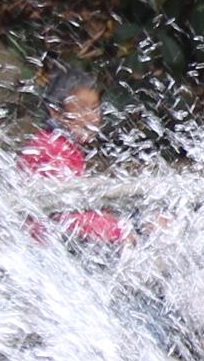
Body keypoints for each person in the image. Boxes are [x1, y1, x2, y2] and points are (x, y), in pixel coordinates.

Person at [19, 69, 128, 246]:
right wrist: (120, 230)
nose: (92, 117)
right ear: (55, 112)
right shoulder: (51, 150)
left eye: (94, 108)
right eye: (82, 108)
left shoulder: (60, 145)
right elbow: (61, 214)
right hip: (50, 244)